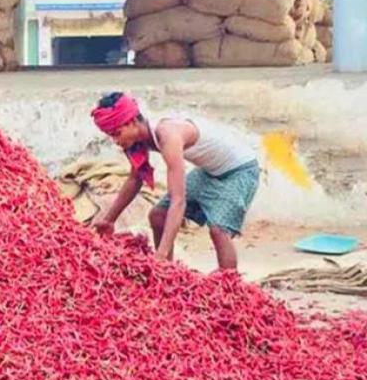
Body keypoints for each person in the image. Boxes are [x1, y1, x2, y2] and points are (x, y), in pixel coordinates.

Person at [89, 92, 260, 271]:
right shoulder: (134, 140)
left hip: (239, 170)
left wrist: (160, 254)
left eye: (117, 133)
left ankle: (230, 284)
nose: (116, 141)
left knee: (218, 231)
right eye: (111, 136)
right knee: (158, 215)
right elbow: (135, 178)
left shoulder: (168, 135)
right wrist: (109, 220)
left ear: (132, 121)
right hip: (209, 171)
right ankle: (168, 272)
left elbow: (178, 201)